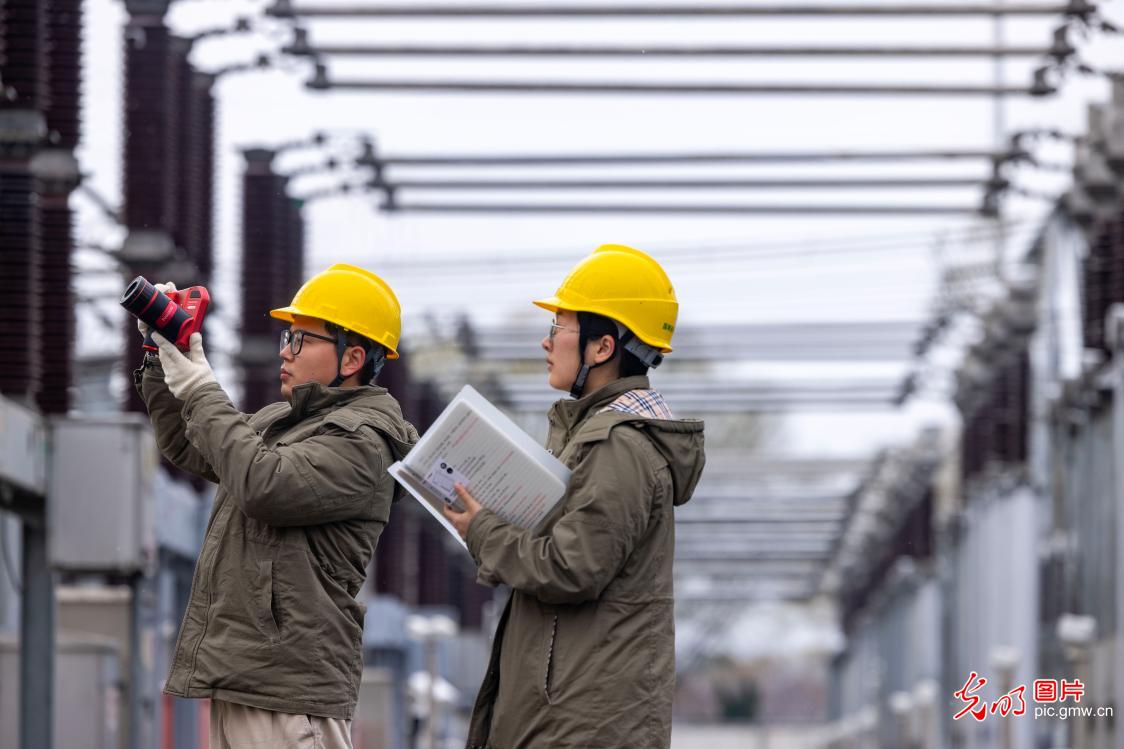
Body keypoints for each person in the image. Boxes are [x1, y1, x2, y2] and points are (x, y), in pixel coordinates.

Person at [133, 264, 419, 749]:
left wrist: (201, 388)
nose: (286, 351)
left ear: (353, 357)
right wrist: (163, 357)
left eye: (302, 339)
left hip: (289, 696)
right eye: (289, 336)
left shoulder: (363, 443)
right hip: (247, 679)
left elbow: (263, 484)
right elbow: (191, 444)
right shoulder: (283, 423)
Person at [443, 244, 707, 748]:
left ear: (602, 347)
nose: (546, 343)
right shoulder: (596, 438)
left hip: (578, 727)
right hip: (569, 720)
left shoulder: (620, 447)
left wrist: (484, 531)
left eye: (558, 327)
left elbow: (571, 567)